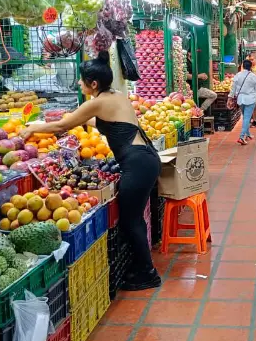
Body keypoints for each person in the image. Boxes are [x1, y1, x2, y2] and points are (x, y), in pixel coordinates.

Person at [21, 52, 162, 291]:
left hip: (137, 164)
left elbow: (62, 126)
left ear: (93, 84)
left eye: (81, 79)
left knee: (132, 220)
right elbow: (102, 122)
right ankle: (142, 268)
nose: (78, 83)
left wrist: (32, 130)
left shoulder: (97, 103)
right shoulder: (116, 96)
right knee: (133, 218)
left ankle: (148, 274)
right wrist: (77, 119)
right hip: (146, 159)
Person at [228, 59, 256, 145]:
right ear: (251, 67)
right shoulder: (253, 76)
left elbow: (233, 88)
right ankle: (242, 137)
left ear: (242, 66)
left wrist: (230, 98)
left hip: (240, 100)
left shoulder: (237, 75)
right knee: (247, 118)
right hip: (250, 99)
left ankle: (248, 134)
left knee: (245, 117)